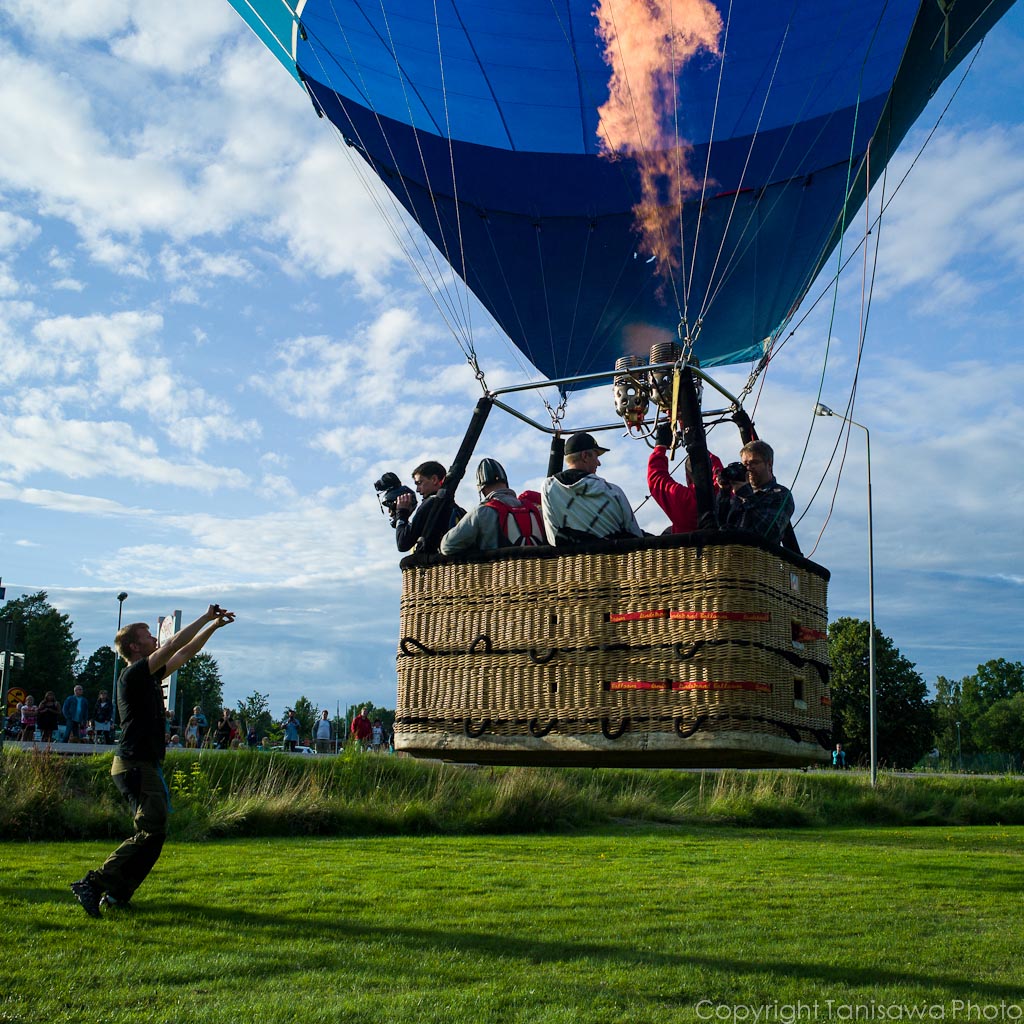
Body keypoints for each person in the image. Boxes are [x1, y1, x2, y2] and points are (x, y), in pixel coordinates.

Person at [69, 604, 235, 917]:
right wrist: (206, 616)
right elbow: (174, 645)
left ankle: (118, 895)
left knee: (154, 835)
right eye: (147, 636)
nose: (155, 639)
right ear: (134, 646)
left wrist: (213, 629)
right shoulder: (133, 674)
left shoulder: (147, 676)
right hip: (135, 764)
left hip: (142, 764)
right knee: (150, 831)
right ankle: (93, 883)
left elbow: (184, 654)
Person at [541, 432, 643, 545]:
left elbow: (552, 538)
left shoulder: (549, 488)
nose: (599, 463)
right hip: (613, 560)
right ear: (585, 456)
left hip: (571, 561)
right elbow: (635, 536)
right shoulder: (614, 492)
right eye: (596, 456)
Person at [440, 458, 545, 554]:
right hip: (539, 572)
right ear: (506, 483)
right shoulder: (536, 510)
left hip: (498, 573)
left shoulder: (482, 512)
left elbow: (448, 546)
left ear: (482, 489)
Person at [647, 423, 724, 533]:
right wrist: (696, 438)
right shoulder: (723, 492)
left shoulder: (686, 500)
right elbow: (715, 468)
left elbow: (656, 479)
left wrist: (660, 446)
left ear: (688, 479)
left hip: (691, 549)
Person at [717, 440, 795, 547]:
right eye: (745, 464)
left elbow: (769, 532)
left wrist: (747, 496)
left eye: (754, 463)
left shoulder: (781, 495)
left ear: (769, 464)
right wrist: (724, 493)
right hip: (730, 559)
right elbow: (717, 526)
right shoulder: (736, 495)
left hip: (759, 560)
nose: (749, 468)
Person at [394, 460, 466, 553]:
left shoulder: (430, 504)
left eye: (419, 483)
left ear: (434, 479)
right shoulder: (459, 511)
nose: (417, 490)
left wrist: (402, 513)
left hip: (434, 564)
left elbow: (402, 543)